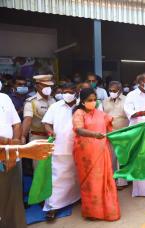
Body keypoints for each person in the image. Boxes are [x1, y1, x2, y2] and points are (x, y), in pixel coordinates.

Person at [0, 90, 53, 228]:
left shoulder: (4, 98)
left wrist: (16, 144)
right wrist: (18, 149)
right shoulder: (32, 101)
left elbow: (16, 124)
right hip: (10, 153)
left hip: (12, 158)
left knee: (13, 201)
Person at [73, 88, 120, 221]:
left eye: (95, 100)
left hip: (101, 151)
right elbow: (79, 130)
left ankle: (106, 209)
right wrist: (95, 135)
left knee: (104, 180)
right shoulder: (78, 113)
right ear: (82, 101)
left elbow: (111, 125)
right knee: (90, 182)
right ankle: (92, 212)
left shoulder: (100, 113)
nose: (93, 102)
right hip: (86, 155)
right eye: (89, 100)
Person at [41, 82, 80, 220]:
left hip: (79, 147)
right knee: (58, 178)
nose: (67, 94)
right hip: (60, 147)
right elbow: (47, 123)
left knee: (78, 175)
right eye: (65, 92)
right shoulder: (55, 106)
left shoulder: (82, 105)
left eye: (70, 91)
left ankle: (78, 198)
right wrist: (50, 132)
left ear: (76, 92)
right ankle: (53, 206)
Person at [21, 75, 56, 169]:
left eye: (49, 86)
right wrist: (23, 136)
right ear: (37, 86)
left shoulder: (53, 100)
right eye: (44, 85)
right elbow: (27, 120)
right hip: (38, 137)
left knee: (53, 169)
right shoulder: (31, 102)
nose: (48, 88)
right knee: (39, 168)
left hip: (53, 138)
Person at [103, 81, 129, 189]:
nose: (112, 92)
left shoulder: (127, 100)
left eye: (114, 91)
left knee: (122, 157)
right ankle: (113, 179)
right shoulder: (105, 101)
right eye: (110, 90)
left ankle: (122, 181)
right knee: (111, 157)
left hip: (123, 132)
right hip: (109, 133)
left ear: (120, 90)